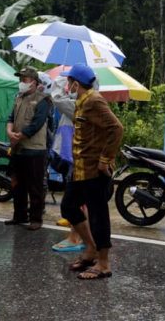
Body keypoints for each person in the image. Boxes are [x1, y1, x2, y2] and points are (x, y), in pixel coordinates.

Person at [60, 64, 123, 280]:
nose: (67, 86)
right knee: (68, 207)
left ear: (76, 84)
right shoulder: (81, 102)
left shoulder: (94, 100)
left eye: (68, 82)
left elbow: (116, 128)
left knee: (98, 216)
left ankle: (103, 264)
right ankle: (91, 248)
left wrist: (105, 160)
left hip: (94, 172)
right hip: (79, 171)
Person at [5, 66, 51, 231]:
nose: (22, 82)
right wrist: (9, 131)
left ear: (34, 82)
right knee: (17, 183)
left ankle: (36, 219)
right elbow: (11, 117)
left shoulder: (43, 99)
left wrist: (20, 135)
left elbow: (37, 123)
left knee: (35, 185)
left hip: (34, 149)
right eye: (21, 79)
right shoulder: (19, 97)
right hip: (18, 148)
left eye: (25, 79)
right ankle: (19, 215)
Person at [49, 75, 85, 252]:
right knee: (80, 200)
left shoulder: (77, 105)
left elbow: (56, 98)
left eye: (73, 83)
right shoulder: (81, 103)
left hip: (75, 158)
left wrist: (61, 80)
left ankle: (75, 237)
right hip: (74, 156)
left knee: (74, 201)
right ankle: (82, 236)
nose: (70, 85)